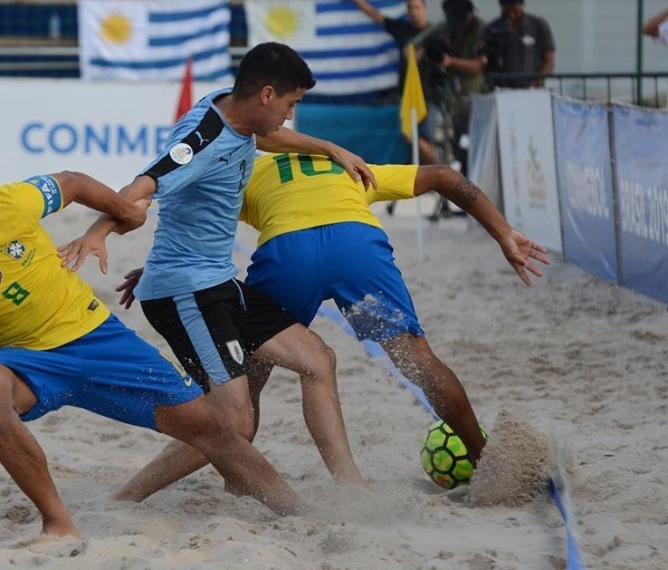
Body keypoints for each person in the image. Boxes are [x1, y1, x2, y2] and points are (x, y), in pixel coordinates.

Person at [0, 169, 312, 540]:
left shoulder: (3, 205)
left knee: (218, 431)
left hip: (96, 338)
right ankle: (58, 523)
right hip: (24, 362)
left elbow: (70, 183)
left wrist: (120, 209)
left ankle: (301, 515)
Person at [58, 42, 378, 503]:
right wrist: (99, 230)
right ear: (267, 94)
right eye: (291, 104)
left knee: (318, 361)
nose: (290, 116)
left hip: (217, 281)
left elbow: (263, 137)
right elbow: (143, 186)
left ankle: (353, 489)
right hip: (187, 293)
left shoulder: (235, 109)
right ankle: (125, 500)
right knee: (232, 425)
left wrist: (330, 148)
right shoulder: (202, 139)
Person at [115, 154, 550, 487]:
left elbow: (194, 220)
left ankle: (238, 478)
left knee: (252, 368)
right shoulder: (350, 166)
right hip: (355, 244)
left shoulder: (249, 170)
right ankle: (482, 458)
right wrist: (503, 233)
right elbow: (444, 176)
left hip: (289, 252)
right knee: (415, 359)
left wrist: (159, 272)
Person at [350, 0, 438, 165]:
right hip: (406, 94)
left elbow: (445, 61)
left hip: (430, 95)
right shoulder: (403, 29)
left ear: (425, 9)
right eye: (410, 8)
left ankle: (442, 169)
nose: (413, 11)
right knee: (408, 135)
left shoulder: (435, 33)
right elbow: (378, 17)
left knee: (429, 139)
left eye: (417, 7)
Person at [412, 0, 486, 174]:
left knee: (473, 144)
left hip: (475, 97)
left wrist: (451, 62)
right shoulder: (443, 28)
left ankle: (470, 175)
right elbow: (413, 46)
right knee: (451, 142)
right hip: (450, 96)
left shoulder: (480, 29)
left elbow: (479, 66)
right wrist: (418, 53)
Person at [478, 0, 555, 89]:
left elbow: (549, 61)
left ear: (522, 6)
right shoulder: (491, 29)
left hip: (532, 89)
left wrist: (537, 82)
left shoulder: (538, 25)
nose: (512, 15)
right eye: (507, 11)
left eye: (515, 10)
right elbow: (483, 61)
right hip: (501, 89)